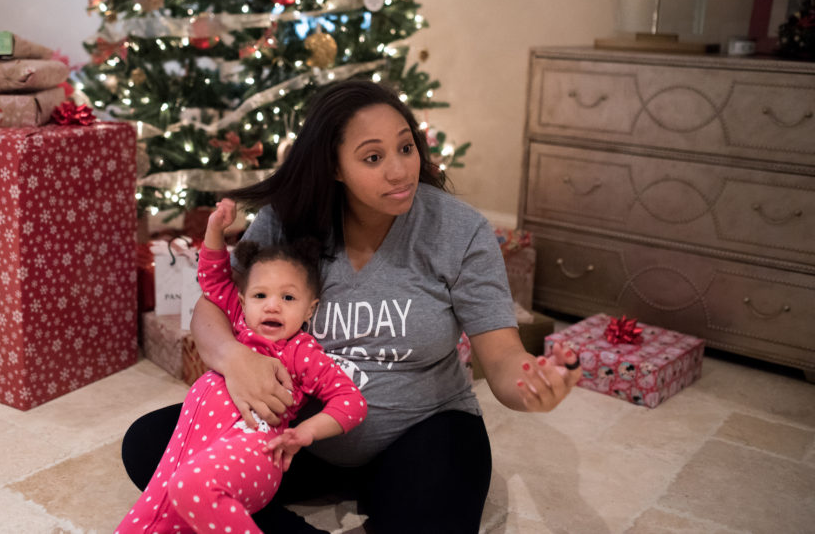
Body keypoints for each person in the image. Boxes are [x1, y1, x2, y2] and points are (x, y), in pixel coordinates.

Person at [122, 78, 582, 533]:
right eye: (373, 157)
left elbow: (502, 357)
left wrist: (533, 385)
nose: (400, 171)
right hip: (295, 434)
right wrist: (234, 358)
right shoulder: (287, 219)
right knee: (149, 448)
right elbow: (215, 307)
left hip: (421, 430)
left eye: (406, 148)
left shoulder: (459, 231)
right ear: (335, 167)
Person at [116, 198, 367, 534]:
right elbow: (214, 279)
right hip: (193, 444)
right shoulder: (238, 323)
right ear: (244, 300)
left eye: (288, 298)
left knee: (190, 488)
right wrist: (214, 231)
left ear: (310, 310)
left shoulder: (301, 353)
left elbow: (351, 401)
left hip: (254, 452)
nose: (273, 306)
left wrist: (306, 432)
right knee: (140, 522)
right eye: (260, 296)